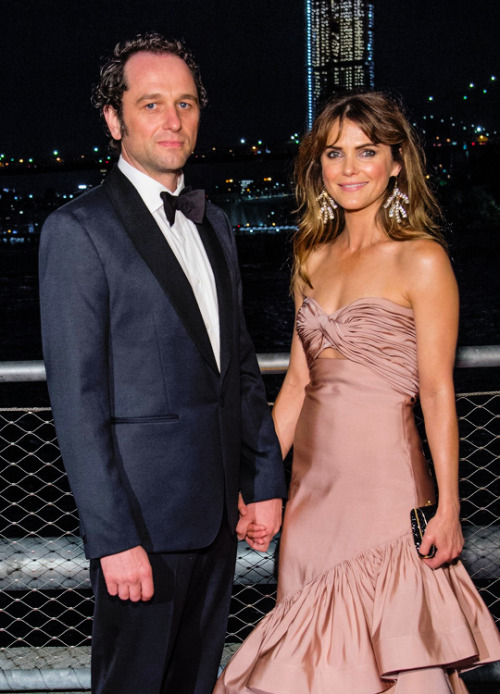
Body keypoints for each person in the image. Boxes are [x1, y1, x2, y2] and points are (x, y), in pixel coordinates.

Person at [214, 92, 500, 693]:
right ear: (318, 165)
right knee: (312, 666)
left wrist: (449, 506)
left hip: (388, 496)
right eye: (334, 153)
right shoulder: (310, 258)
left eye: (367, 151)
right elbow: (297, 384)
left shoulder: (422, 260)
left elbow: (437, 390)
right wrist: (260, 482)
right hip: (313, 501)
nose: (348, 168)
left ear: (396, 162)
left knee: (399, 665)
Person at [39, 33, 287, 694]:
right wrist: (112, 537)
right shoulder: (77, 231)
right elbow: (77, 400)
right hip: (140, 526)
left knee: (194, 683)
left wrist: (264, 478)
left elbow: (235, 367)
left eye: (185, 103)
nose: (172, 120)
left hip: (216, 515)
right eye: (151, 104)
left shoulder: (217, 226)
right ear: (115, 120)